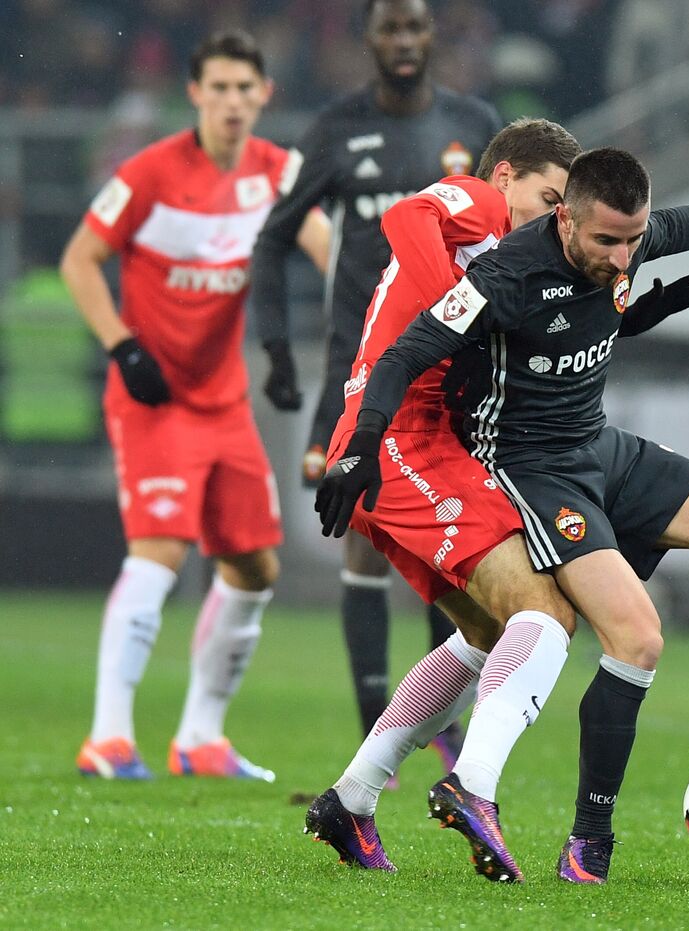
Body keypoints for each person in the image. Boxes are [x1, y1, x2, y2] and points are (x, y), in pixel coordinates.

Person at [317, 148, 689, 883]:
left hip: (600, 446)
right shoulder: (503, 274)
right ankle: (583, 838)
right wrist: (362, 442)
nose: (623, 255)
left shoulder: (624, 238)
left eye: (633, 239)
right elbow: (408, 353)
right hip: (534, 470)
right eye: (607, 242)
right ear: (564, 216)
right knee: (625, 634)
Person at [302, 117, 590, 881]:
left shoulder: (521, 254)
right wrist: (450, 303)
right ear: (505, 178)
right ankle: (474, 787)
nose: (553, 215)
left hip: (402, 443)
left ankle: (352, 798)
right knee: (546, 610)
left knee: (495, 631)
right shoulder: (477, 202)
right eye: (547, 196)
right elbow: (405, 216)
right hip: (400, 438)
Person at [61, 30, 331, 781]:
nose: (234, 102)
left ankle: (201, 737)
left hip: (225, 404)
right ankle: (108, 736)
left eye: (246, 89)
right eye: (219, 88)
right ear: (196, 93)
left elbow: (326, 248)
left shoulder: (277, 172)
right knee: (160, 553)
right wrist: (122, 345)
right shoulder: (149, 173)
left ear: (264, 94)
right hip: (152, 400)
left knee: (254, 567)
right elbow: (78, 260)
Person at [249, 0, 502, 758]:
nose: (402, 41)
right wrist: (278, 354)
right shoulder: (333, 128)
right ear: (367, 39)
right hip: (360, 365)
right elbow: (272, 240)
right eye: (389, 28)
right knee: (363, 539)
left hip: (453, 371)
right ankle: (377, 730)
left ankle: (443, 727)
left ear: (432, 37)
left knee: (447, 543)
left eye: (414, 28)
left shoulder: (472, 123)